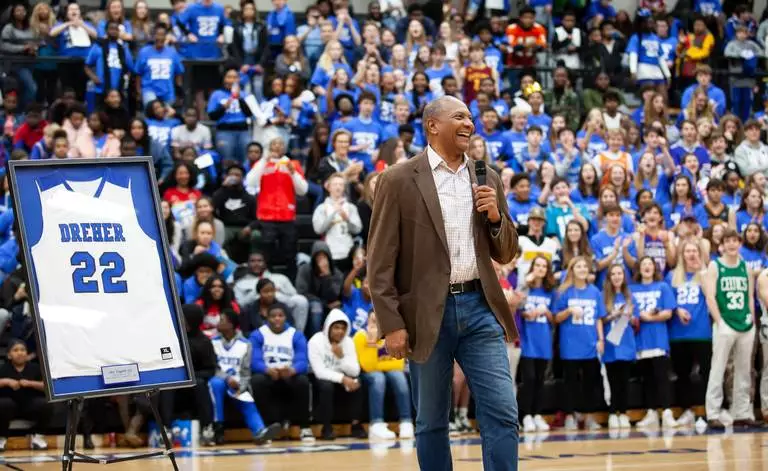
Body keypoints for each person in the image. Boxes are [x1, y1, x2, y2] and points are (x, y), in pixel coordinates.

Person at [368, 96, 519, 470]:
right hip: (425, 313)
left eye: (470, 117)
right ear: (433, 125)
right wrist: (392, 324)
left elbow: (506, 252)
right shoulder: (397, 179)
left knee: (502, 411)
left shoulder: (486, 176)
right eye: (459, 117)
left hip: (480, 307)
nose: (469, 123)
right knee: (431, 421)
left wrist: (496, 217)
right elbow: (379, 262)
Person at [704, 229, 759, 429]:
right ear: (722, 245)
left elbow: (750, 296)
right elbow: (710, 297)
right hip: (725, 323)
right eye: (727, 241)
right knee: (718, 368)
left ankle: (741, 412)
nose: (731, 244)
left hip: (745, 323)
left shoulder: (746, 267)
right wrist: (719, 321)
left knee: (744, 370)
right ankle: (713, 412)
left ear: (739, 244)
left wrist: (752, 320)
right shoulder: (715, 266)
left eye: (735, 241)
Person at [209, 309, 281, 445]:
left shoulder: (245, 344)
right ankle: (218, 430)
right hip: (219, 380)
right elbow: (212, 367)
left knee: (246, 399)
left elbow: (246, 372)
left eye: (222, 320)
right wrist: (227, 378)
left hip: (236, 383)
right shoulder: (212, 342)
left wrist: (241, 387)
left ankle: (260, 432)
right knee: (216, 383)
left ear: (231, 325)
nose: (218, 322)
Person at [249, 303, 314, 442]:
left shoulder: (296, 335)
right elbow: (254, 360)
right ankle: (266, 428)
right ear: (267, 318)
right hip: (268, 374)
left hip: (289, 373)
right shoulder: (258, 334)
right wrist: (266, 369)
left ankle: (305, 427)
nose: (277, 319)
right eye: (273, 316)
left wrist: (292, 370)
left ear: (285, 317)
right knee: (257, 381)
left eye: (280, 316)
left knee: (303, 381)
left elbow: (302, 360)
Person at [353, 311, 414, 439]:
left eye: (379, 321)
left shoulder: (392, 336)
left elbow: (398, 364)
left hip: (388, 372)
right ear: (367, 322)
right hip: (366, 375)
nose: (376, 324)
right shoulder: (360, 336)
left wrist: (380, 364)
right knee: (378, 378)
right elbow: (367, 366)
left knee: (399, 377)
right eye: (373, 321)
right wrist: (372, 344)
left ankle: (406, 422)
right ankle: (376, 424)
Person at [307, 309, 366, 440]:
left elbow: (355, 371)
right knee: (326, 386)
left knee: (357, 382)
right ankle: (326, 427)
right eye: (336, 328)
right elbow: (319, 371)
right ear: (328, 328)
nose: (340, 332)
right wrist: (343, 378)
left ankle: (356, 425)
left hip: (341, 375)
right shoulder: (315, 341)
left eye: (343, 328)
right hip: (321, 378)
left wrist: (341, 357)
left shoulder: (348, 342)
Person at [0, 339, 51, 451]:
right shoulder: (3, 368)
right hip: (10, 408)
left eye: (23, 350)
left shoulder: (35, 368)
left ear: (27, 354)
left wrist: (30, 383)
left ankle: (37, 436)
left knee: (46, 403)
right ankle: (2, 437)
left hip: (29, 406)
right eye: (15, 350)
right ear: (9, 355)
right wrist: (6, 381)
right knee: (3, 404)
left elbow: (47, 386)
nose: (20, 353)